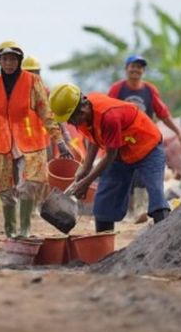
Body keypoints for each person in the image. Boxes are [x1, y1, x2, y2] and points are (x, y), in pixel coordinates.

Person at [0, 41, 73, 239]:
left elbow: (47, 113)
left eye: (13, 59)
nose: (9, 63)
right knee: (5, 190)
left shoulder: (33, 83)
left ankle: (25, 230)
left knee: (29, 185)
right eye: (5, 59)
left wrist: (59, 140)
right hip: (3, 145)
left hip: (31, 144)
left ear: (19, 61)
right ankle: (10, 232)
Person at [49, 82, 171, 232]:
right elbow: (94, 138)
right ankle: (103, 248)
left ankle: (166, 239)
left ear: (83, 108)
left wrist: (87, 182)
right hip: (121, 153)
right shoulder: (82, 116)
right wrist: (85, 168)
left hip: (147, 147)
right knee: (104, 205)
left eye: (71, 119)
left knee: (156, 194)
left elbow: (110, 155)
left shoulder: (108, 116)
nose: (70, 123)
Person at [108, 54, 181, 147]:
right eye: (133, 66)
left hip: (145, 137)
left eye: (139, 67)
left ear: (143, 71)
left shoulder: (150, 89)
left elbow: (163, 114)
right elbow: (108, 112)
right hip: (122, 139)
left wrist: (178, 132)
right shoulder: (117, 88)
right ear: (126, 69)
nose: (136, 70)